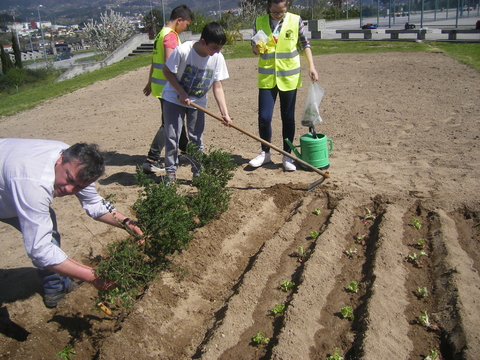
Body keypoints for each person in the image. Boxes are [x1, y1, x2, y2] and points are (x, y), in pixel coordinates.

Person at [0, 139, 143, 308]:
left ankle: (56, 286)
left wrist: (129, 224)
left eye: (78, 186)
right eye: (68, 179)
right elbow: (39, 250)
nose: (69, 189)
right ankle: (56, 285)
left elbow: (94, 204)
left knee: (48, 224)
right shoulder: (34, 182)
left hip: (9, 189)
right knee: (43, 240)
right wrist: (93, 277)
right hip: (12, 185)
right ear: (61, 159)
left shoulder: (77, 163)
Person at [249, 0, 319, 171]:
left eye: (281, 11)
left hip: (289, 77)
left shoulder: (296, 21)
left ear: (287, 5)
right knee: (264, 118)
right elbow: (253, 48)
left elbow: (304, 44)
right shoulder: (259, 21)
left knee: (287, 118)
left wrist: (311, 66)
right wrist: (258, 48)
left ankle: (287, 155)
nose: (277, 15)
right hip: (267, 78)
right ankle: (265, 153)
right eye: (274, 11)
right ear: (269, 7)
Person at [162, 22, 232, 182]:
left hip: (198, 102)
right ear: (203, 42)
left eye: (220, 48)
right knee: (172, 137)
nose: (217, 52)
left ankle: (198, 171)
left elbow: (218, 86)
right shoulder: (183, 51)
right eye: (214, 47)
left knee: (196, 138)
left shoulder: (217, 58)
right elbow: (166, 71)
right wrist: (181, 92)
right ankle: (171, 173)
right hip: (173, 98)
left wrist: (225, 114)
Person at [142, 5, 194, 174]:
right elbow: (171, 64)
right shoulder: (171, 37)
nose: (185, 28)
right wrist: (181, 88)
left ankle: (188, 151)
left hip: (160, 85)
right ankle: (152, 158)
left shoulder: (160, 34)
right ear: (179, 20)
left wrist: (150, 82)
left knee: (177, 119)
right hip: (169, 87)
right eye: (186, 24)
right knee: (169, 123)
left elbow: (153, 61)